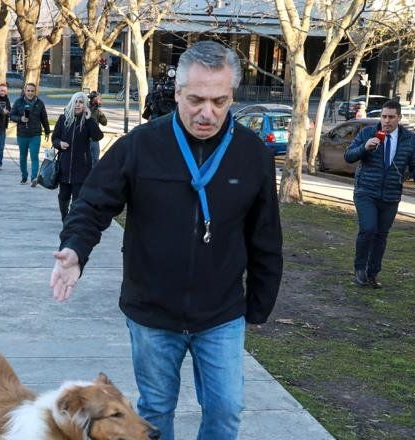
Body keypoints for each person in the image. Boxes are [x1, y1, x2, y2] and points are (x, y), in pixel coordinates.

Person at [49, 41, 283, 440]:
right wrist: (75, 248)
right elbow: (92, 203)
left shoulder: (251, 154)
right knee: (156, 411)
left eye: (219, 101)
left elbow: (265, 236)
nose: (206, 112)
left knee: (226, 410)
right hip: (152, 313)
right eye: (195, 99)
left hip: (221, 313)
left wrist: (258, 306)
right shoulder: (140, 146)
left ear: (232, 96)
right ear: (177, 92)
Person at [344, 100, 415, 288]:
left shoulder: (408, 138)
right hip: (366, 191)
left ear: (399, 117)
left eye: (391, 117)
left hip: (391, 195)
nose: (386, 121)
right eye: (383, 116)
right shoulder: (368, 133)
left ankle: (373, 273)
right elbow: (349, 156)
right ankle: (359, 269)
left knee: (381, 235)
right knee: (368, 229)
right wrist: (364, 147)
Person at [52, 92, 103, 220]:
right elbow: (54, 138)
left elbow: (98, 136)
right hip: (65, 165)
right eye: (76, 101)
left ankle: (72, 220)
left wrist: (89, 119)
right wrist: (59, 143)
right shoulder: (63, 119)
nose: (78, 105)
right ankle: (65, 217)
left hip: (81, 166)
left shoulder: (87, 121)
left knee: (77, 197)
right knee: (63, 196)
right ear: (71, 102)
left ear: (85, 105)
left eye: (81, 102)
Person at [9, 83, 50, 186]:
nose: (30, 93)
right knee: (23, 157)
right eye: (28, 91)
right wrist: (20, 119)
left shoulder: (39, 103)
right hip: (22, 134)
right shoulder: (19, 102)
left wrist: (47, 131)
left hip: (35, 134)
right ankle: (24, 176)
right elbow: (11, 116)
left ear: (35, 91)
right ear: (25, 91)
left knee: (34, 156)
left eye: (32, 91)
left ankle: (34, 178)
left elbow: (44, 118)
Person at [87, 91, 107, 165]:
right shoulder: (86, 108)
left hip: (94, 139)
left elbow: (104, 123)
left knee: (95, 159)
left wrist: (101, 114)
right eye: (98, 99)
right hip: (86, 138)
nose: (100, 101)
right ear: (93, 99)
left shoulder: (98, 111)